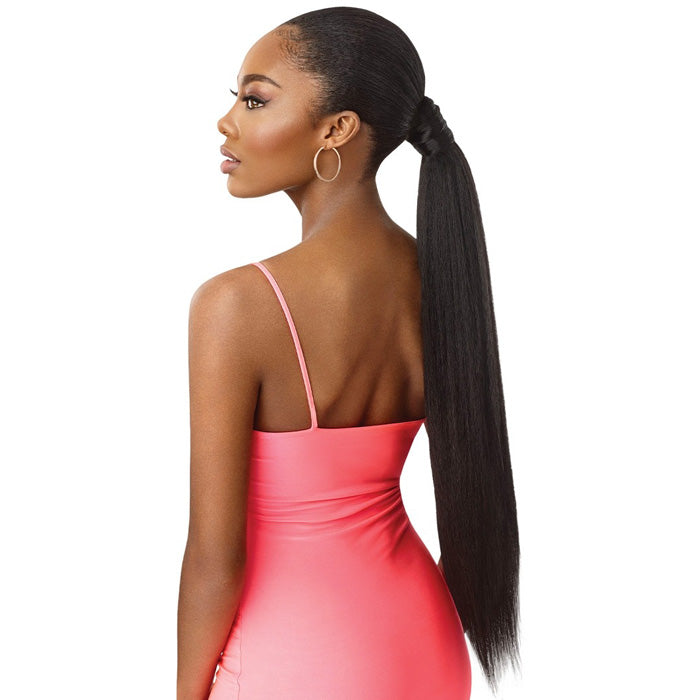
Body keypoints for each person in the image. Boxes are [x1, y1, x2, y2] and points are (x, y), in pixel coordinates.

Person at [177, 7, 521, 700]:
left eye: (255, 100)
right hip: (425, 643)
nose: (226, 122)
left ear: (336, 129)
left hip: (294, 656)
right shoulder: (442, 279)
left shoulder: (237, 305)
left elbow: (215, 559)